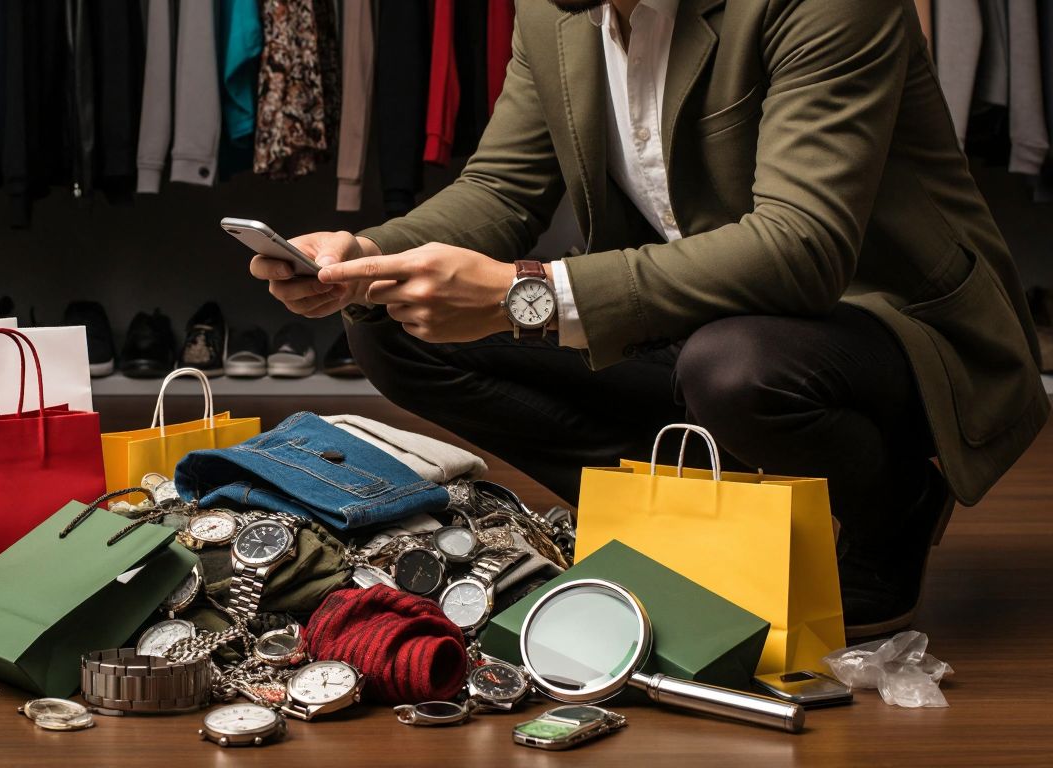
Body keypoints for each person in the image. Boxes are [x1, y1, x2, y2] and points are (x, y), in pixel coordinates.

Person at [250, 0, 1047, 637]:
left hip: (888, 323)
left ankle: (893, 498)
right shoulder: (557, 11)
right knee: (391, 324)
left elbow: (802, 247)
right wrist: (363, 258)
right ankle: (682, 518)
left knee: (733, 371)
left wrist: (523, 295)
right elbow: (501, 188)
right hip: (695, 314)